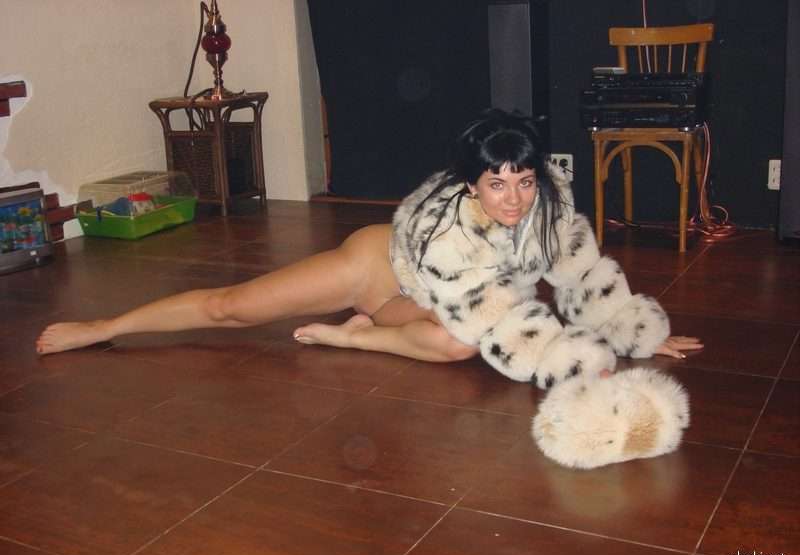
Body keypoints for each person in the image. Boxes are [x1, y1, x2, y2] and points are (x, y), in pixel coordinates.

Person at [36, 110, 701, 366]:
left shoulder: (549, 215)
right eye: (497, 184)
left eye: (525, 182)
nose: (514, 198)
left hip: (429, 305)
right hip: (377, 268)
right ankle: (104, 327)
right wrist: (574, 362)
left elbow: (585, 279)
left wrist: (633, 334)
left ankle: (356, 337)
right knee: (230, 308)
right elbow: (515, 327)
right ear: (470, 185)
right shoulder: (445, 226)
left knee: (458, 344)